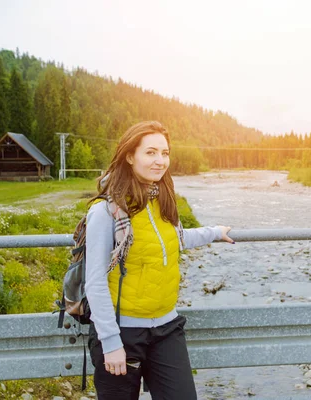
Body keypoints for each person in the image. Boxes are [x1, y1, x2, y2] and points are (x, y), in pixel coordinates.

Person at [85, 120, 234, 400]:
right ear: (130, 156)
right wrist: (110, 342)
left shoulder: (162, 200)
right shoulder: (106, 211)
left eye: (164, 153)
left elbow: (175, 239)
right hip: (122, 332)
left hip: (166, 329)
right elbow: (94, 282)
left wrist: (214, 232)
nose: (160, 161)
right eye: (150, 152)